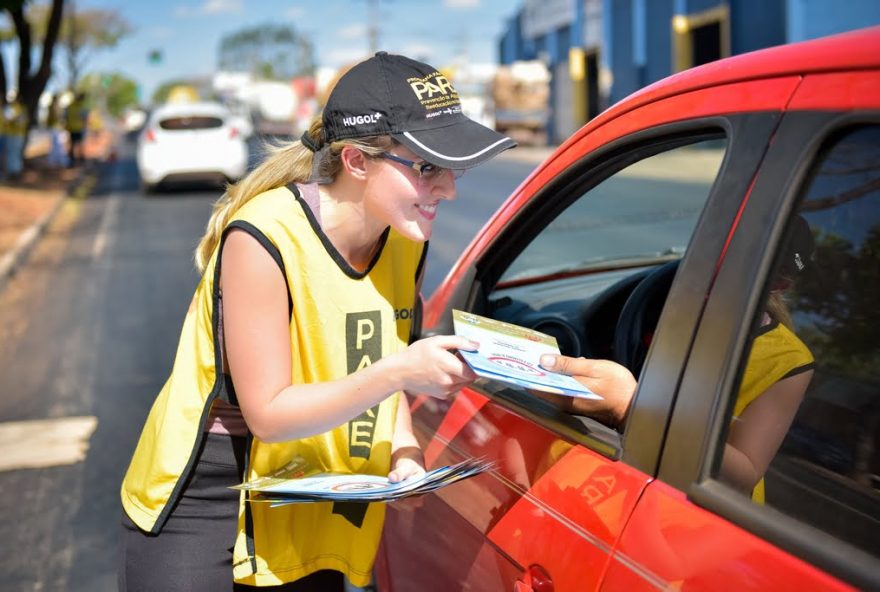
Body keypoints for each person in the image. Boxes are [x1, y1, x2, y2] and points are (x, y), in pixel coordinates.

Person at [118, 51, 516, 591]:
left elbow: (380, 357)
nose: (447, 188)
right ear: (355, 161)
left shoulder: (402, 237)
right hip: (210, 485)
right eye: (426, 167)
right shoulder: (262, 237)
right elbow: (270, 414)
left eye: (453, 167)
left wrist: (404, 453)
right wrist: (399, 372)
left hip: (307, 475)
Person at [538, 216, 815, 502]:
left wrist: (630, 406)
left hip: (693, 512)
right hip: (624, 472)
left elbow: (743, 475)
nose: (719, 262)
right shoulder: (676, 305)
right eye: (717, 247)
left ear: (779, 283)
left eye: (744, 257)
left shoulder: (788, 360)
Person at [65, 91, 87, 166]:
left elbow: (65, 117)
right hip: (78, 128)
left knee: (72, 144)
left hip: (71, 128)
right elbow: (84, 118)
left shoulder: (70, 107)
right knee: (80, 144)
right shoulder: (80, 107)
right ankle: (81, 159)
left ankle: (71, 160)